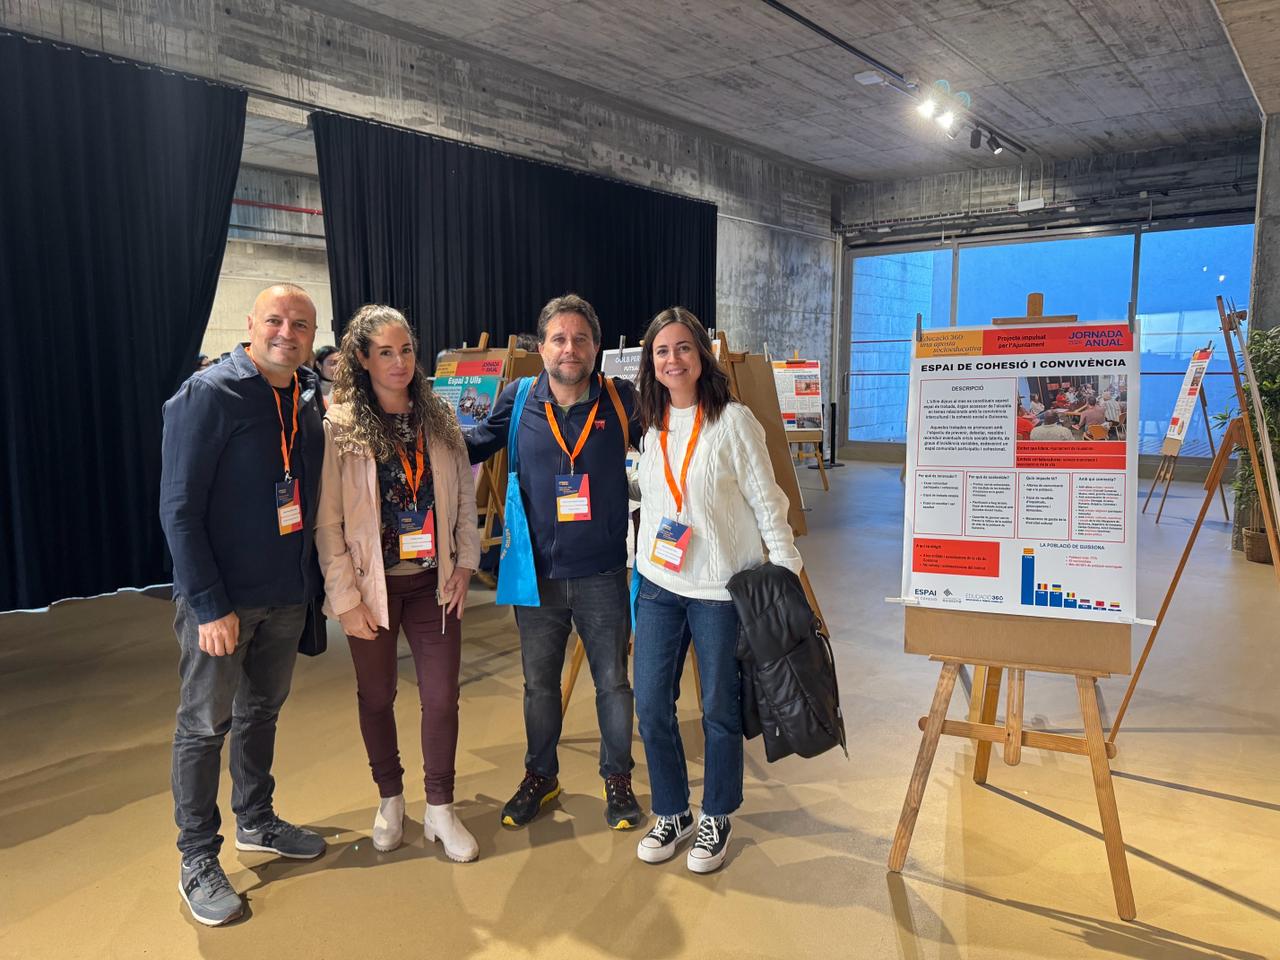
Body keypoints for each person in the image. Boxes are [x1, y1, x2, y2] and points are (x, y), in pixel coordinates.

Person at [159, 284, 326, 927]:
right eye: (275, 320)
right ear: (251, 324)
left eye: (301, 324)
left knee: (261, 713)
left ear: (313, 336)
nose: (288, 332)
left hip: (285, 595)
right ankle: (198, 857)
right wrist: (207, 605)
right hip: (223, 603)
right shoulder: (207, 395)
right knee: (204, 726)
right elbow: (179, 511)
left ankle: (256, 820)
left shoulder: (306, 396)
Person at [630, 307, 801, 874]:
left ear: (702, 355)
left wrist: (787, 572)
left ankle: (717, 813)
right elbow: (655, 496)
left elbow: (767, 499)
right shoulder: (652, 423)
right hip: (659, 583)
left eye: (682, 348)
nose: (672, 359)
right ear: (651, 362)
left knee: (720, 710)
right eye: (661, 351)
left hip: (720, 589)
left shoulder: (733, 421)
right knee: (651, 703)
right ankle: (672, 810)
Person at [467, 293, 643, 831]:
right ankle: (540, 776)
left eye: (581, 339)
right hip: (536, 576)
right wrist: (410, 430)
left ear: (596, 346)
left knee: (613, 684)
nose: (570, 348)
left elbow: (670, 443)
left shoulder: (621, 400)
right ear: (541, 347)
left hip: (603, 573)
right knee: (538, 686)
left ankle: (618, 779)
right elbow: (473, 445)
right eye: (559, 339)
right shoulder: (519, 398)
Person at [315, 305, 480, 861]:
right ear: (362, 359)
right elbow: (328, 524)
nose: (399, 362)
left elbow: (463, 501)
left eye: (406, 349)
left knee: (441, 697)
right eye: (385, 352)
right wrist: (345, 600)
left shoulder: (440, 417)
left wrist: (465, 565)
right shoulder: (339, 427)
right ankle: (390, 798)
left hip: (435, 584)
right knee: (376, 695)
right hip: (372, 591)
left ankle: (440, 808)